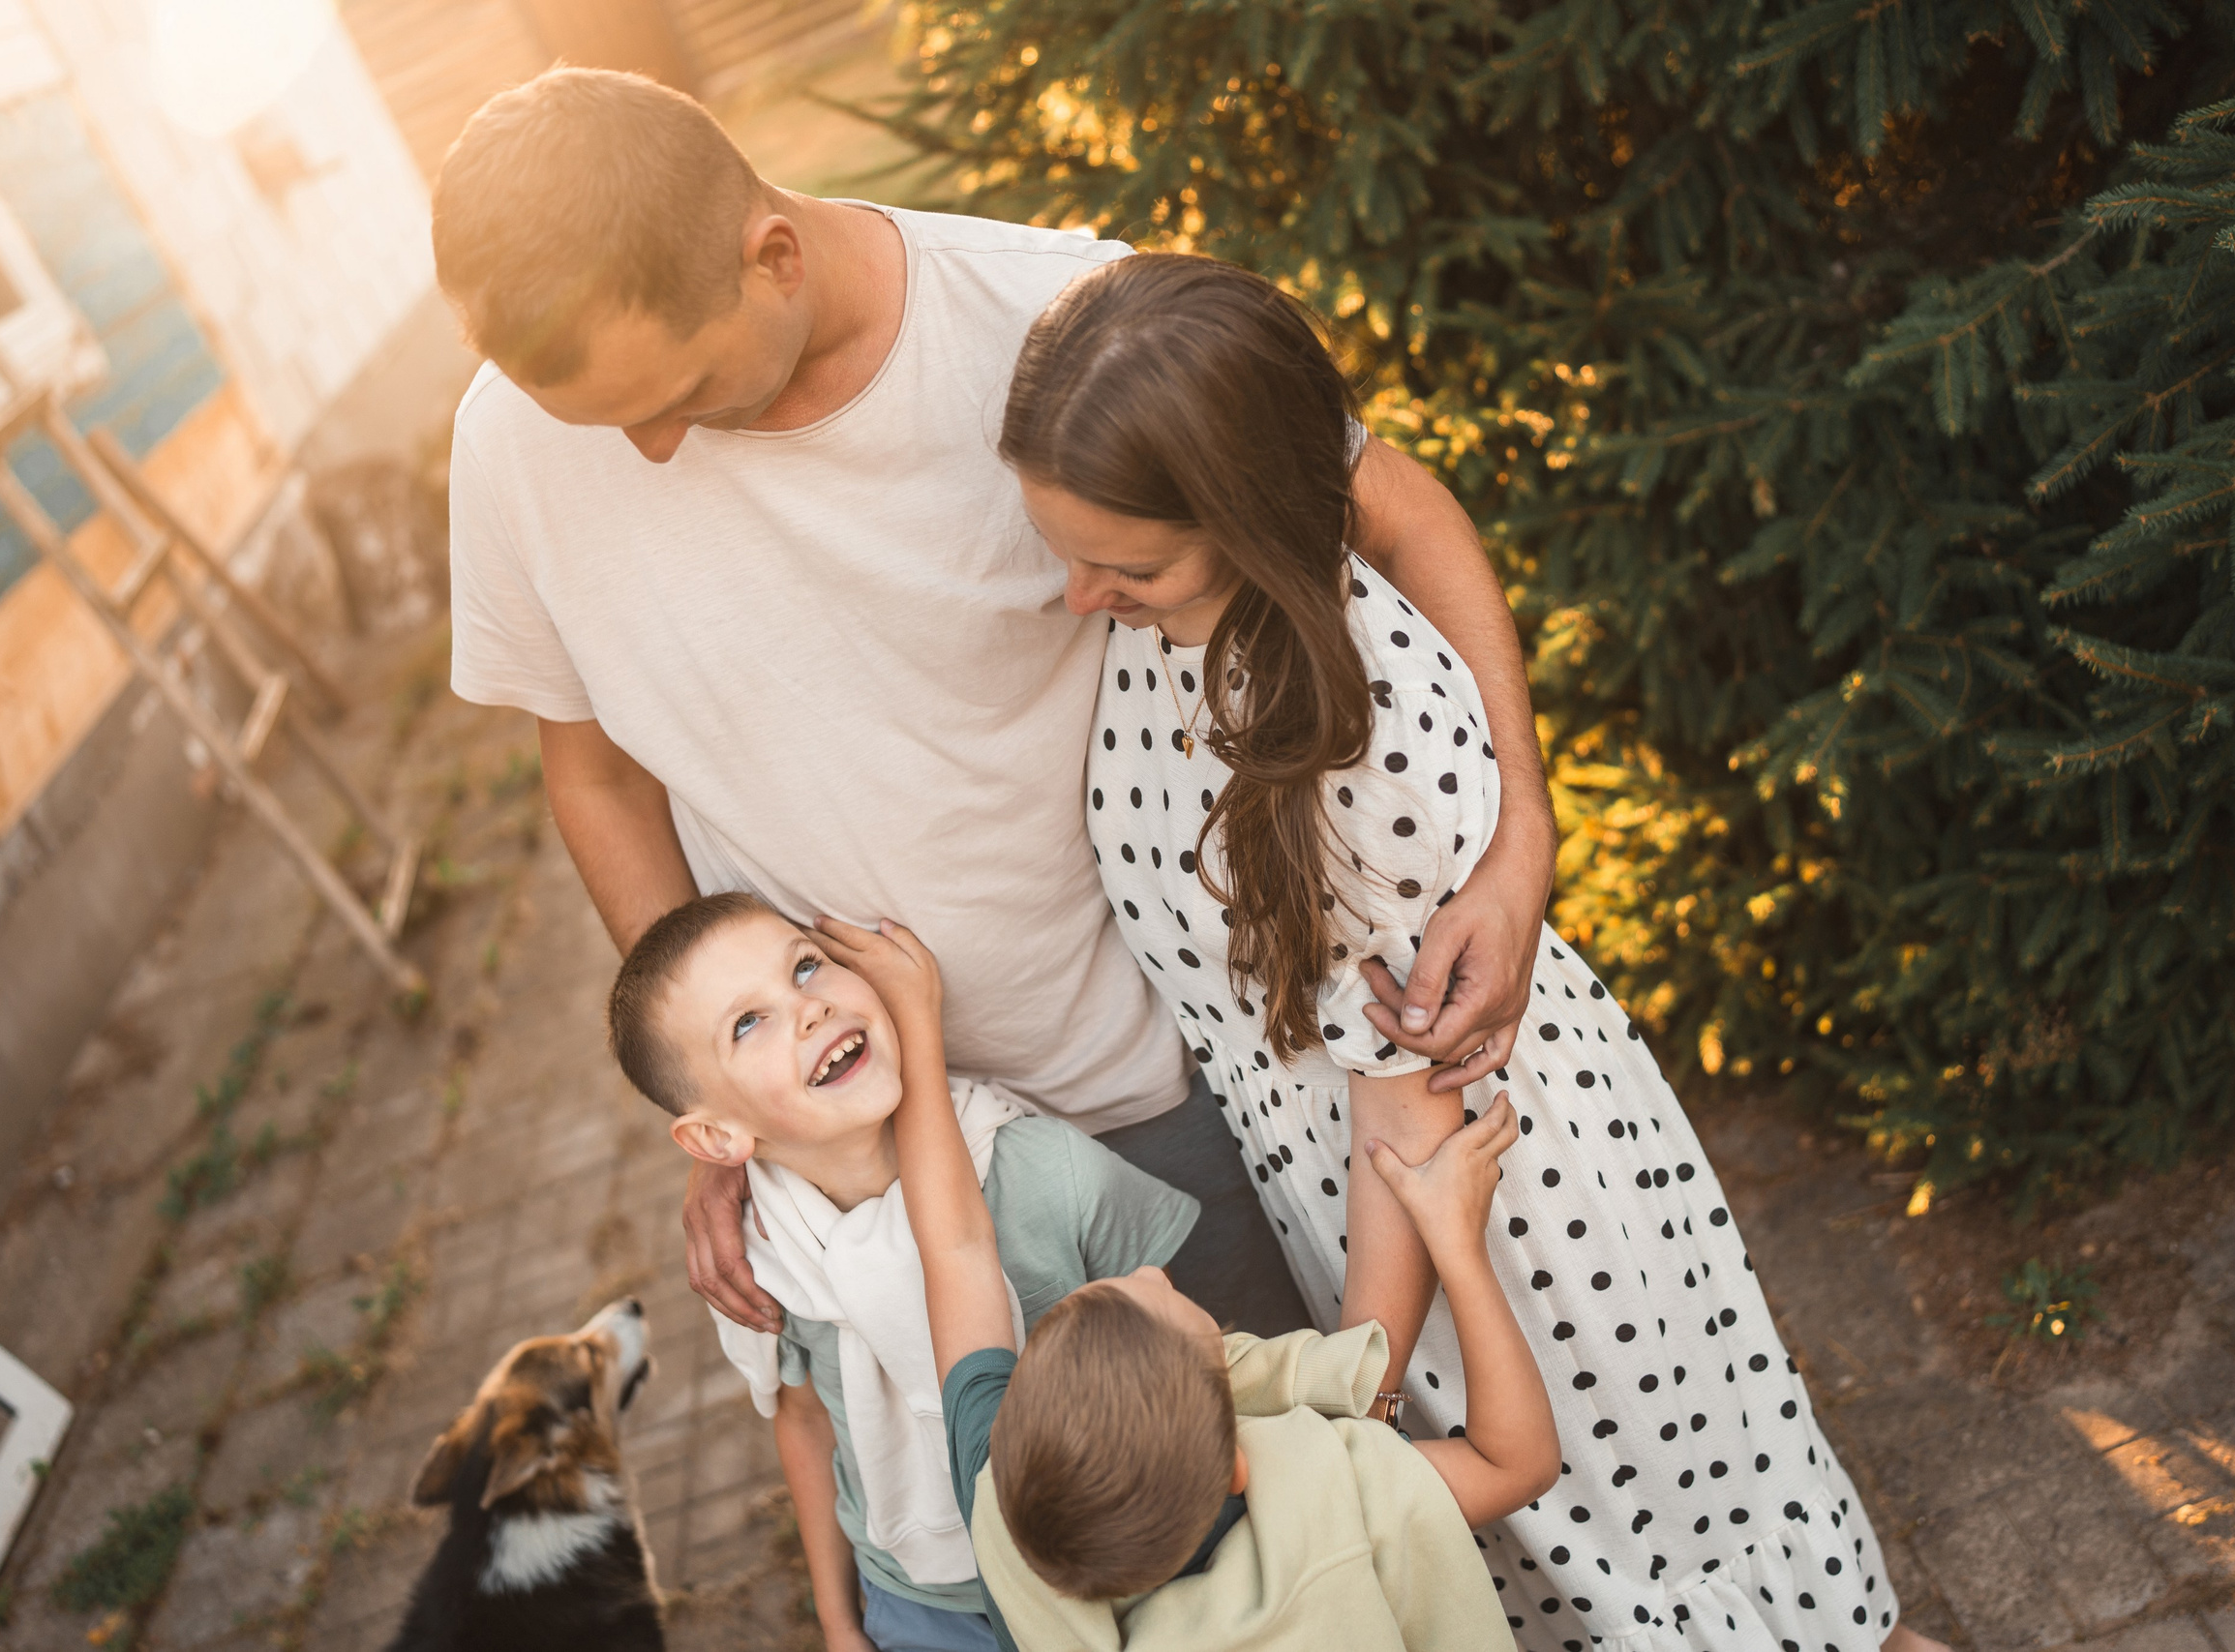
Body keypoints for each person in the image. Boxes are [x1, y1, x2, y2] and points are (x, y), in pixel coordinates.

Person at [430, 67, 1561, 1340]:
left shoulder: (1050, 323)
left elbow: (1393, 508)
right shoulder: (516, 437)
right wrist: (725, 1107)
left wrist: (1520, 830)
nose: (641, 452)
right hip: (857, 1165)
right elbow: (596, 777)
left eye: (675, 395)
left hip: (1146, 1107)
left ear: (775, 256)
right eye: (603, 420)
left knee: (1275, 1501)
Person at [1005, 253, 1949, 1652]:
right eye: (1063, 550)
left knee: (1646, 1555)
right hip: (1361, 1185)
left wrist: (1361, 1388)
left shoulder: (1350, 738)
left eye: (1124, 564)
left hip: (1475, 1215)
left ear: (1253, 515)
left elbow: (1407, 1085)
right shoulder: (1186, 625)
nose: (1080, 595)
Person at [823, 913, 1561, 1652]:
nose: (1148, 1269)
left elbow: (954, 1247)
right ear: (1240, 1464)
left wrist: (917, 1034)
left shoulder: (1012, 1524)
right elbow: (1517, 1461)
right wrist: (1457, 1244)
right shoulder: (1341, 1501)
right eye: (1182, 1308)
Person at [604, 892, 1200, 1652]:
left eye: (807, 966)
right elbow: (806, 1421)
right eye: (747, 1022)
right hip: (920, 1601)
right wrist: (838, 1619)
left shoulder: (1046, 1172)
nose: (809, 1008)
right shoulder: (758, 1264)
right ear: (717, 1136)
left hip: (1121, 1558)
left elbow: (1186, 1349)